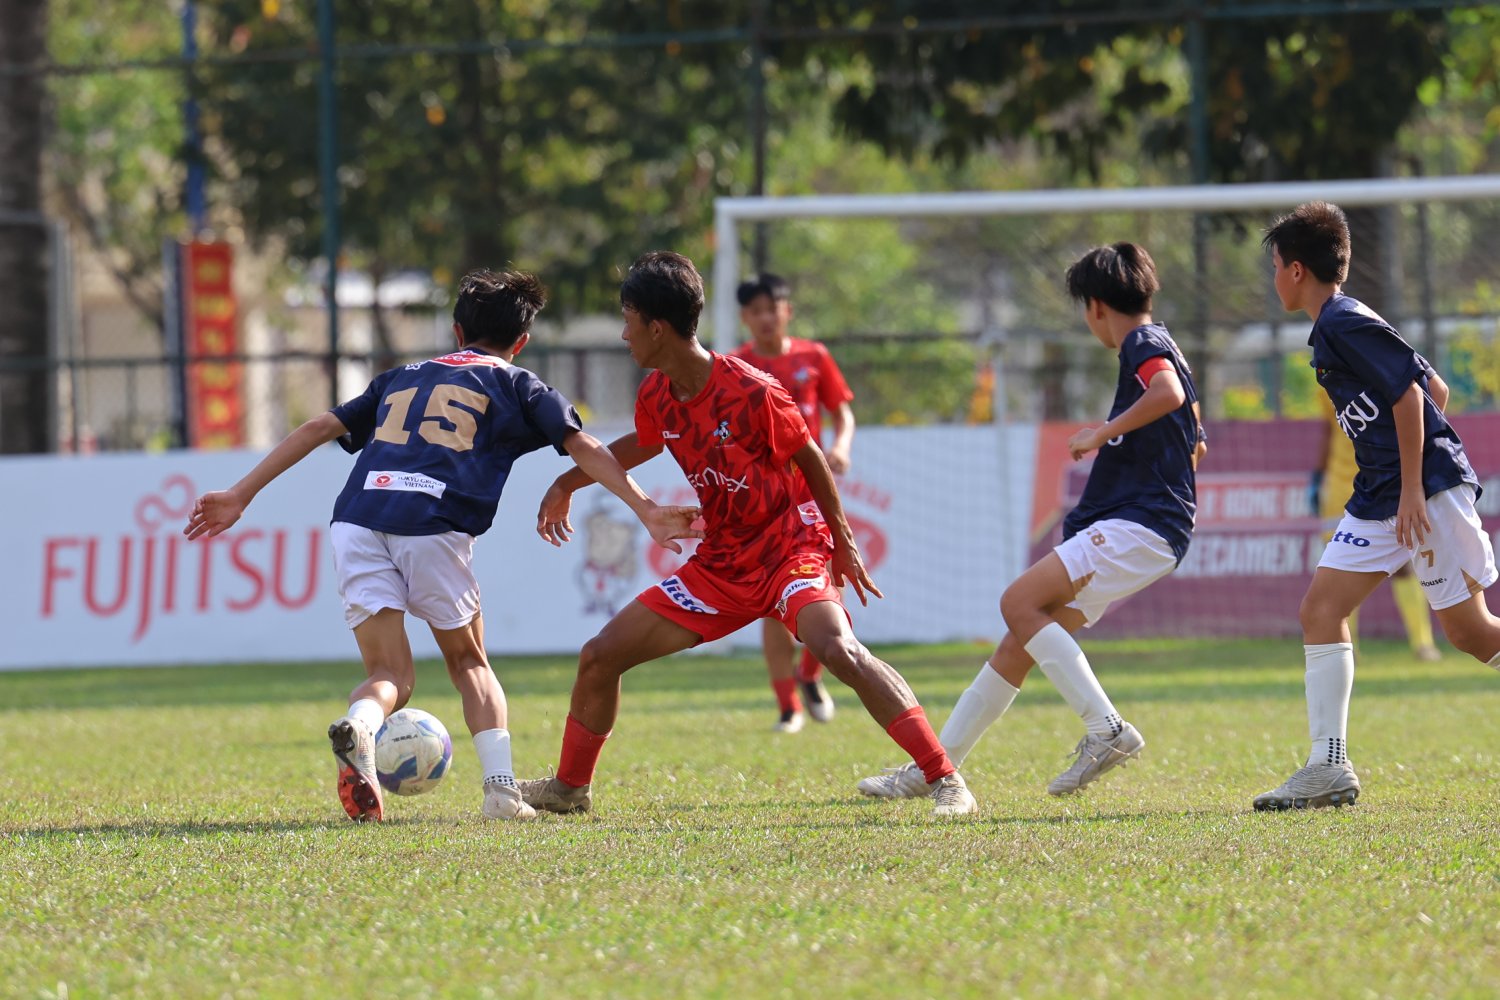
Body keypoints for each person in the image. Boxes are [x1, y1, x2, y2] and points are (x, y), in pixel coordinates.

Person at [183, 269, 701, 824]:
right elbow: (585, 445)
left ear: (457, 331)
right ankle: (501, 793)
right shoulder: (519, 384)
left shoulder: (400, 377)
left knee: (392, 675)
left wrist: (240, 493)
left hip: (356, 518)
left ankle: (361, 724)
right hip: (432, 521)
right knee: (469, 661)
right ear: (521, 341)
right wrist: (646, 508)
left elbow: (316, 427)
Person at [520, 250, 977, 817]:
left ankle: (945, 778)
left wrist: (842, 541)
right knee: (599, 656)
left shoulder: (751, 389)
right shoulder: (658, 393)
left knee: (837, 648)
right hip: (721, 565)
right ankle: (569, 789)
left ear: (657, 328)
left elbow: (810, 455)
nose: (623, 334)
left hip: (790, 550)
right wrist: (568, 480)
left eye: (628, 320)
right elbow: (643, 442)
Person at [857, 242, 1205, 801]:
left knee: (1017, 603)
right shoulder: (1168, 345)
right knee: (1017, 644)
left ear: (1095, 307)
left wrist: (1102, 433)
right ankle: (935, 768)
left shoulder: (1142, 343)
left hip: (1140, 524)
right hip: (1155, 529)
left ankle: (1107, 730)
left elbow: (1166, 394)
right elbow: (1195, 442)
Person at [1254, 201, 1500, 811]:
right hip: (1379, 494)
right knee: (1320, 610)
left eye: (1275, 265)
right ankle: (1328, 766)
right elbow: (1435, 386)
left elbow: (1413, 397)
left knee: (1470, 632)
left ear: (1295, 270)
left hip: (1421, 493)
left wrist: (1414, 486)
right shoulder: (1340, 323)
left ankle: (1327, 765)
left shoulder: (1342, 322)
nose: (1274, 277)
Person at [733, 273, 856, 732]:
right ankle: (788, 706)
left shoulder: (814, 356)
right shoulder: (736, 366)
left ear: (787, 310)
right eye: (756, 311)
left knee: (833, 585)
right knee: (772, 604)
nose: (766, 318)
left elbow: (842, 412)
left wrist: (840, 446)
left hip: (814, 497)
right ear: (745, 318)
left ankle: (810, 673)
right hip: (765, 505)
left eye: (773, 308)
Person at [1311, 392, 1442, 662]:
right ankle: (1347, 648)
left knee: (1403, 563)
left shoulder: (1383, 376)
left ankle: (1422, 644)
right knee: (1341, 566)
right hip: (1340, 486)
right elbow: (1329, 431)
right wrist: (1317, 475)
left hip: (1382, 481)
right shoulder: (1326, 384)